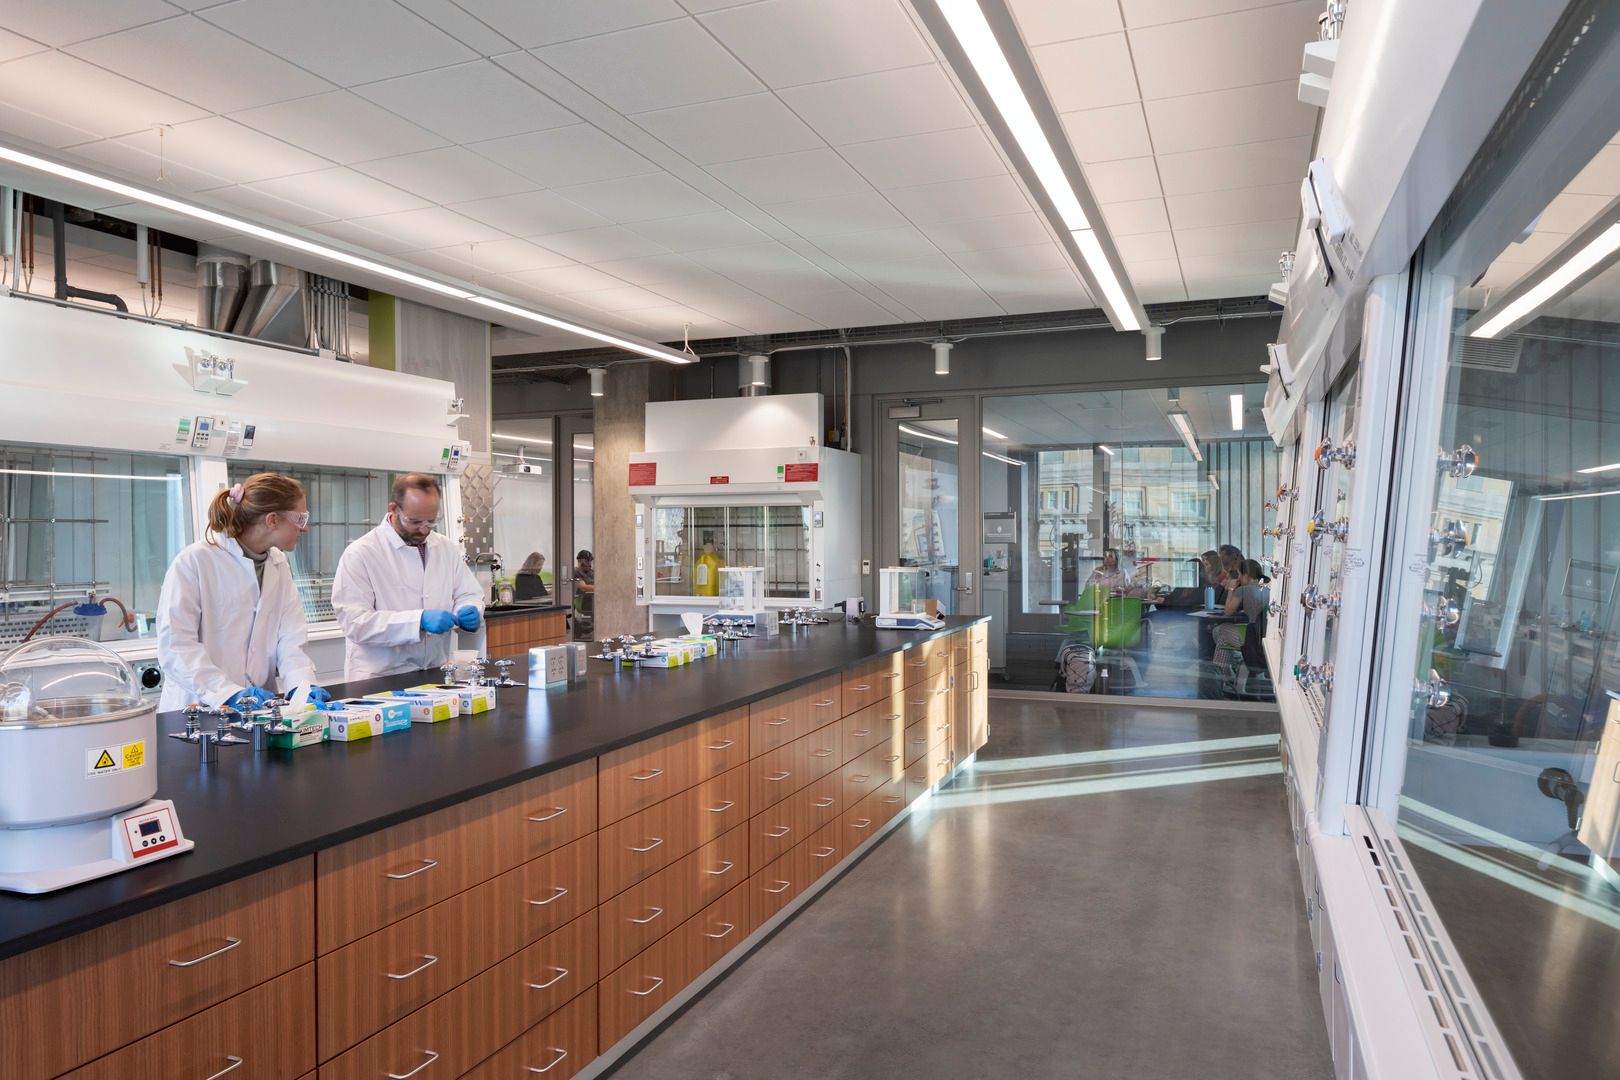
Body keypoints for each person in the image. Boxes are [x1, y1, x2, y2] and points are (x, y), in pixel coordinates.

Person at [155, 474, 328, 712]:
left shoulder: (278, 563)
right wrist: (228, 693)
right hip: (199, 710)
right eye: (300, 518)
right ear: (272, 520)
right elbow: (176, 646)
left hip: (260, 711)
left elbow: (290, 637)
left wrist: (302, 684)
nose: (305, 527)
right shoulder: (195, 561)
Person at [330, 473, 484, 681]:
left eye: (431, 521)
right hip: (381, 677)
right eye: (415, 521)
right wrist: (417, 621)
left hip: (434, 670)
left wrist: (469, 610)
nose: (423, 529)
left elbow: (468, 593)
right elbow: (355, 622)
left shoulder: (445, 548)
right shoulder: (361, 553)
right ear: (393, 509)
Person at [1214, 559, 1271, 654]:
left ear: (1245, 576)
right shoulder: (1268, 587)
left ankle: (1232, 662)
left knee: (1218, 630)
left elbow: (1227, 612)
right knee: (1222, 640)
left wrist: (1231, 589)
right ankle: (1232, 663)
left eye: (1239, 575)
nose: (1239, 578)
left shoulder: (1242, 590)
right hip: (1266, 635)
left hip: (1252, 637)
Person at [572, 549, 595, 639]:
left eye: (590, 562)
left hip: (595, 598)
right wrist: (601, 589)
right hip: (585, 601)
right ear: (580, 561)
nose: (589, 564)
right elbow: (583, 586)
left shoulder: (592, 572)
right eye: (587, 561)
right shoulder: (576, 572)